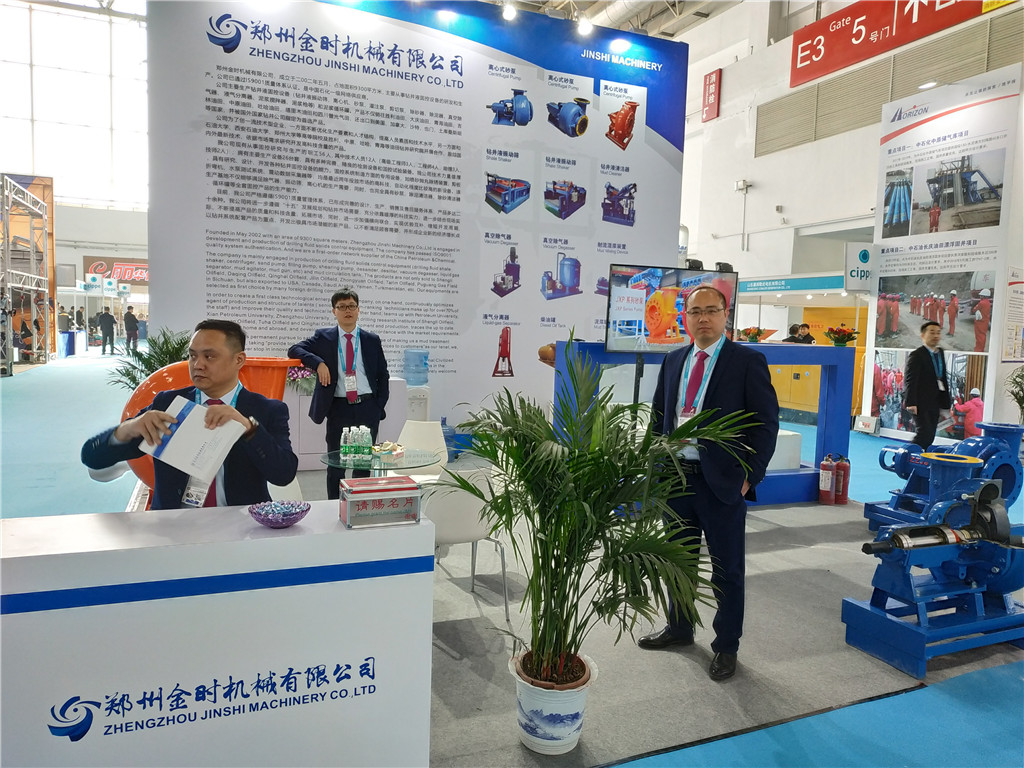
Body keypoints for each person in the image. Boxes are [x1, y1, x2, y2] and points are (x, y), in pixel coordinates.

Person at [640, 285, 779, 682]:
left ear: (725, 315)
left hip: (722, 483)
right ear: (685, 317)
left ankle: (726, 646)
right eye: (695, 311)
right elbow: (660, 417)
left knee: (726, 570)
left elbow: (766, 423)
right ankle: (680, 628)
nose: (703, 318)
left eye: (711, 311)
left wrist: (750, 477)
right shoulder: (674, 360)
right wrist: (654, 468)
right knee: (678, 561)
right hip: (676, 479)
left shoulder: (747, 361)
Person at [82, 320, 297, 509]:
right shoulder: (168, 405)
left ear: (239, 360)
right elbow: (92, 457)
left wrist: (248, 429)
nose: (197, 365)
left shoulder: (266, 410)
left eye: (209, 356)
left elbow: (283, 475)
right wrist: (127, 429)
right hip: (174, 526)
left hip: (241, 525)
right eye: (193, 356)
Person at [288, 289, 390, 499]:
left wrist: (378, 405)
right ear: (334, 311)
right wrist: (319, 363)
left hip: (367, 406)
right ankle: (333, 506)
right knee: (336, 463)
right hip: (338, 407)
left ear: (358, 310)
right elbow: (294, 349)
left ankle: (358, 504)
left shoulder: (371, 339)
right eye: (341, 307)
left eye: (351, 306)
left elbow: (383, 374)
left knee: (363, 463)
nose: (347, 310)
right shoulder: (324, 337)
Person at [903, 320, 951, 449]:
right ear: (923, 335)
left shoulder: (940, 353)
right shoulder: (917, 355)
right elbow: (910, 380)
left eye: (938, 333)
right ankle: (904, 455)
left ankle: (917, 455)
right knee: (924, 433)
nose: (936, 336)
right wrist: (911, 402)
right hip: (920, 401)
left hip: (935, 400)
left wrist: (946, 403)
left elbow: (943, 378)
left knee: (930, 435)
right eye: (932, 332)